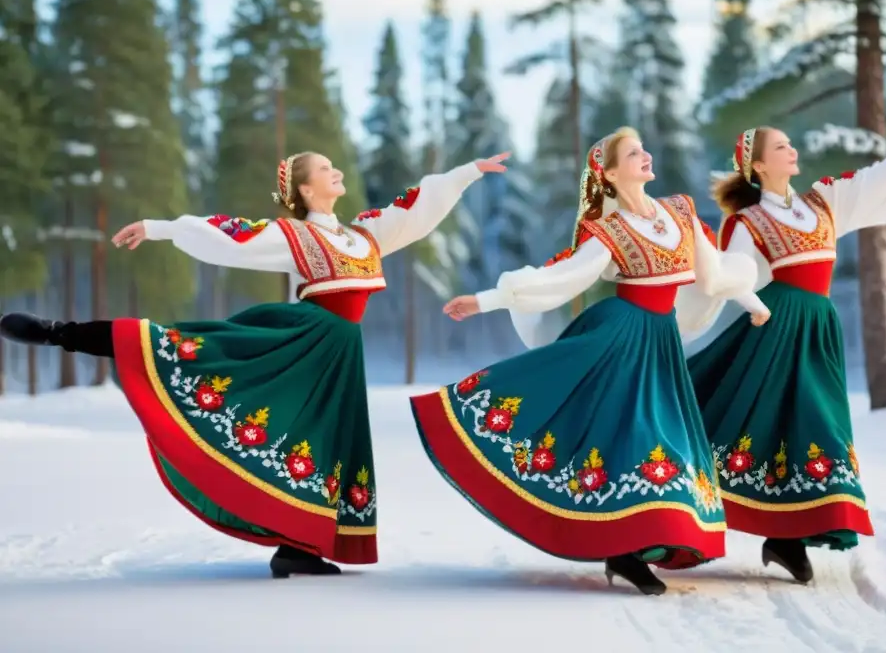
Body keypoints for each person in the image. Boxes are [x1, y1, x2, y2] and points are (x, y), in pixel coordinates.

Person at [0, 151, 510, 579]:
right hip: (303, 342)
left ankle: (299, 548)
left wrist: (467, 173)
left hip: (339, 354)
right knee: (187, 350)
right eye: (325, 168)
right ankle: (59, 333)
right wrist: (160, 228)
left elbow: (414, 210)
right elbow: (228, 235)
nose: (336, 172)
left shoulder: (365, 236)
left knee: (317, 441)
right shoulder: (295, 237)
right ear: (307, 191)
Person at [410, 127, 772, 596]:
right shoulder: (610, 230)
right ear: (611, 172)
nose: (645, 156)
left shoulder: (680, 213)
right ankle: (625, 552)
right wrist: (488, 299)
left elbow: (714, 275)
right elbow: (564, 278)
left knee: (665, 439)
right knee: (635, 438)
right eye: (633, 153)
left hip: (659, 343)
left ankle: (642, 543)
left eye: (644, 148)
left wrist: (754, 303)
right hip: (618, 338)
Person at [682, 123, 886, 584]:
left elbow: (881, 176)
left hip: (819, 329)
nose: (793, 150)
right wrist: (749, 302)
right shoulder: (747, 221)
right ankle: (699, 516)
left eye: (791, 143)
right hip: (775, 329)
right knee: (763, 422)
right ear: (758, 165)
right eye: (781, 146)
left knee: (814, 426)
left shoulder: (822, 202)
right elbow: (732, 276)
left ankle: (788, 537)